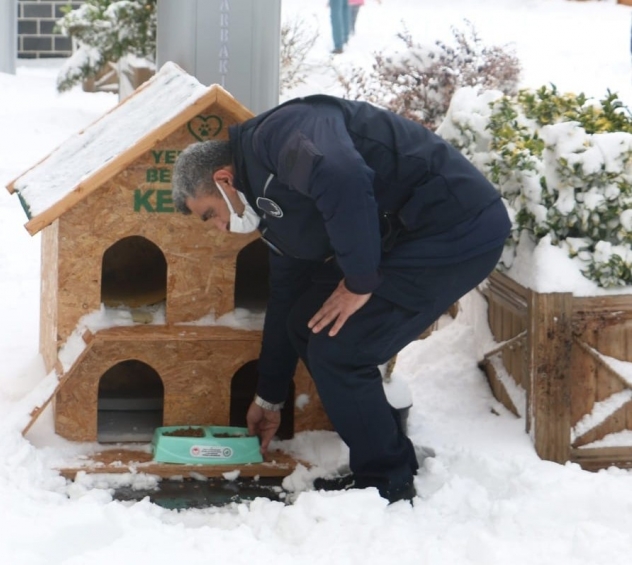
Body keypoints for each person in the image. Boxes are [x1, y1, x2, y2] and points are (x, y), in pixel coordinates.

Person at [171, 95, 511, 504]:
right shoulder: (273, 217)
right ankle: (388, 451)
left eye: (210, 215)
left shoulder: (281, 137)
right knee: (305, 320)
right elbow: (284, 297)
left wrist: (359, 282)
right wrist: (269, 396)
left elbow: (342, 175)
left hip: (457, 227)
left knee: (342, 350)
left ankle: (386, 481)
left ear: (224, 181)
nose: (220, 228)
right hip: (405, 238)